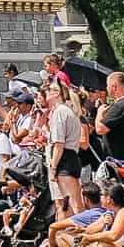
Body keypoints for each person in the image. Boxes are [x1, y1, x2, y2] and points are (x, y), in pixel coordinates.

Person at [45, 82, 85, 214]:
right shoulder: (67, 110)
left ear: (57, 93)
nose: (46, 92)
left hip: (64, 160)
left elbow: (59, 144)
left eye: (49, 89)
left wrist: (53, 167)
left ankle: (81, 232)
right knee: (72, 204)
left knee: (72, 204)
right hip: (71, 157)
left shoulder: (60, 112)